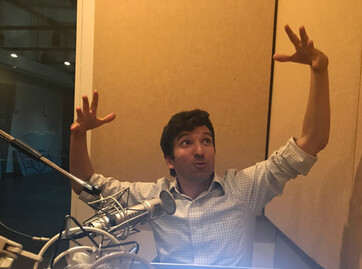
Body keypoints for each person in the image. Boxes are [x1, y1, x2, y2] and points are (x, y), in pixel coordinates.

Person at [69, 25, 329, 267]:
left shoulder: (243, 189)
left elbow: (310, 143)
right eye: (186, 142)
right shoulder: (153, 198)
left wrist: (319, 70)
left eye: (206, 140)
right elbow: (87, 187)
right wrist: (79, 136)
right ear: (169, 160)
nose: (200, 150)